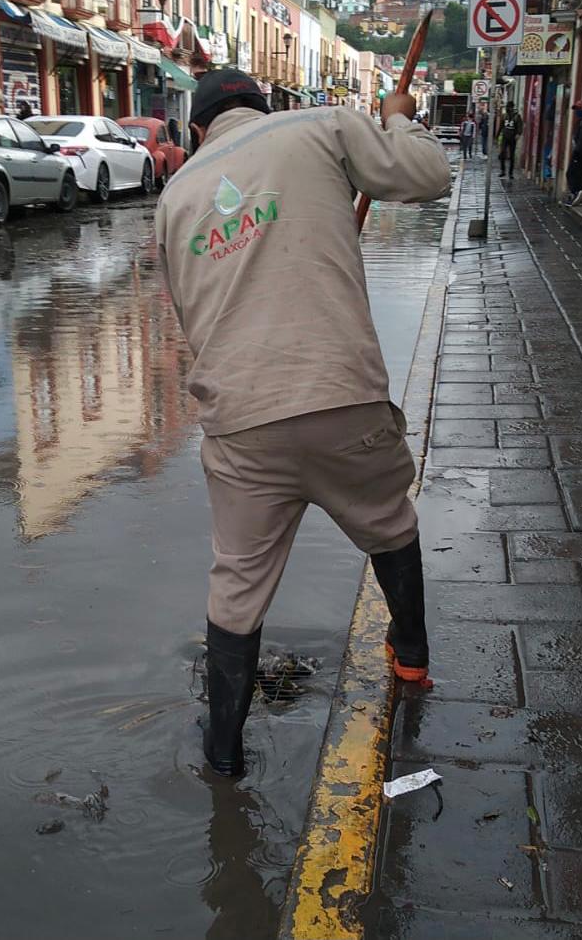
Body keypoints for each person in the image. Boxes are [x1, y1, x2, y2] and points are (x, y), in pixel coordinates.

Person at [155, 69, 450, 777]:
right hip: (339, 396)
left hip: (240, 418)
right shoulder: (319, 124)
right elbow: (428, 174)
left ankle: (223, 754)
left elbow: (192, 317)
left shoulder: (175, 195)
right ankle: (410, 659)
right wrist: (398, 116)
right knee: (389, 524)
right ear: (262, 107)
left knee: (237, 586)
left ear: (197, 129)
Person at [496, 100, 523, 179]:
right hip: (505, 137)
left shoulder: (517, 116)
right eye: (507, 107)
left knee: (511, 156)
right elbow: (501, 126)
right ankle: (503, 171)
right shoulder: (504, 116)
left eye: (509, 107)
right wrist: (497, 136)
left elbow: (520, 127)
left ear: (512, 108)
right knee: (502, 154)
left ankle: (510, 173)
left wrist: (518, 134)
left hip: (512, 138)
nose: (508, 109)